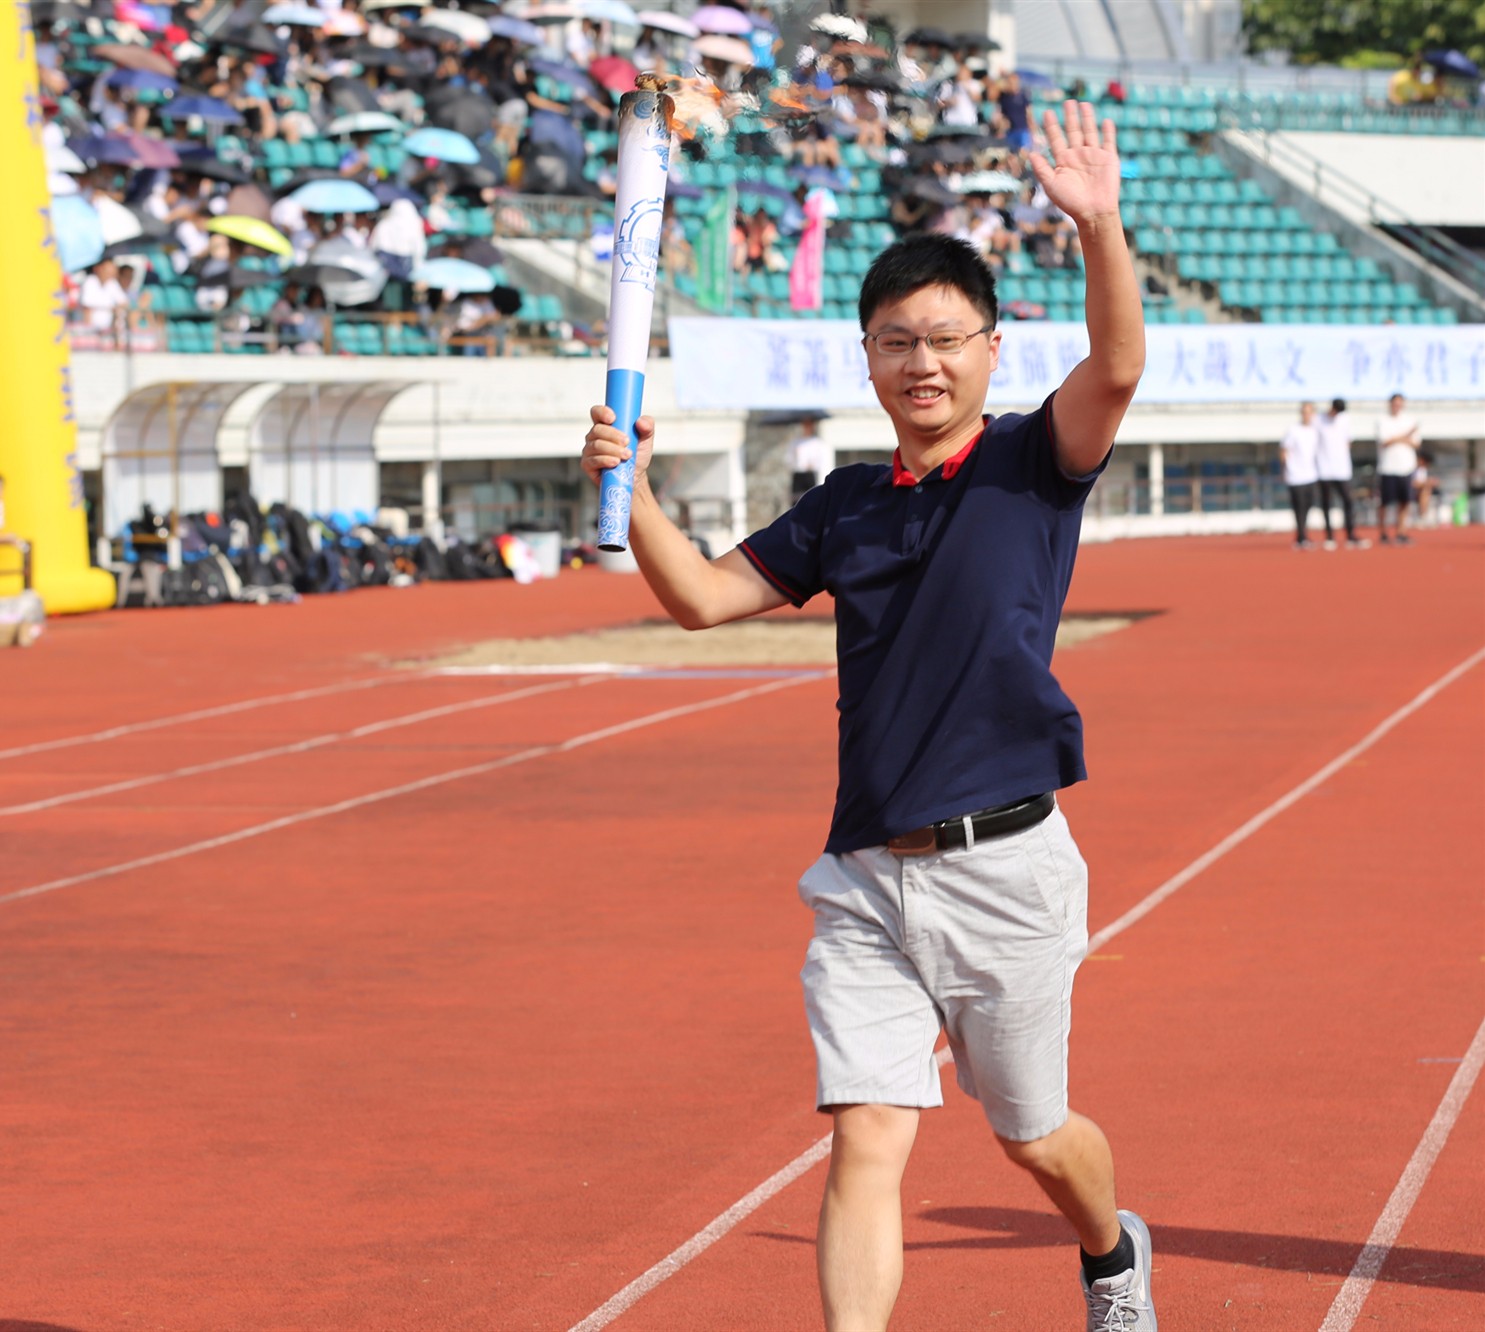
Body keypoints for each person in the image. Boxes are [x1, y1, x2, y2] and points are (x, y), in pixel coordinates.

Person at [582, 101, 1155, 1332]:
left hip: (1004, 868)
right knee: (866, 1137)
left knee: (1036, 1138)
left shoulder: (1030, 465)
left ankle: (1111, 1253)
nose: (924, 363)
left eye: (947, 339)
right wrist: (625, 486)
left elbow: (1115, 365)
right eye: (897, 341)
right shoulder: (841, 505)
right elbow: (695, 599)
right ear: (867, 359)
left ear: (992, 350)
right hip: (864, 875)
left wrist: (1100, 227)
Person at [1315, 398, 1367, 548]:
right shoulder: (1319, 420)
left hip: (1342, 469)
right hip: (1324, 469)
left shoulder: (1345, 420)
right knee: (1326, 503)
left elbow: (1348, 441)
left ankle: (1350, 535)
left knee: (1348, 501)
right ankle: (1329, 537)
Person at [1375, 392, 1421, 545]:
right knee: (1385, 502)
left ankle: (1401, 532)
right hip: (1388, 468)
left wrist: (1398, 438)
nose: (1397, 406)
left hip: (1406, 467)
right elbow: (1385, 441)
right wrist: (1405, 436)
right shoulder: (1383, 420)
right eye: (1394, 403)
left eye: (1400, 403)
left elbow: (1415, 443)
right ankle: (1383, 533)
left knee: (1405, 501)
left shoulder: (1410, 420)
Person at [1279, 401, 1321, 549]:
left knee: (1308, 506)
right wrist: (1284, 470)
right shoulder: (1293, 430)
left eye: (1309, 412)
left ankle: (1302, 535)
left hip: (1311, 475)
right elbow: (1284, 450)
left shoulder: (1315, 431)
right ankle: (1301, 537)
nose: (1307, 415)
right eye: (1304, 412)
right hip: (1295, 476)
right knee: (1299, 507)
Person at [785, 415, 832, 505]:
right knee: (796, 501)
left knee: (812, 500)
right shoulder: (795, 442)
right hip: (798, 475)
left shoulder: (817, 443)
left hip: (810, 474)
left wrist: (812, 464)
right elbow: (789, 459)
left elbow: (821, 460)